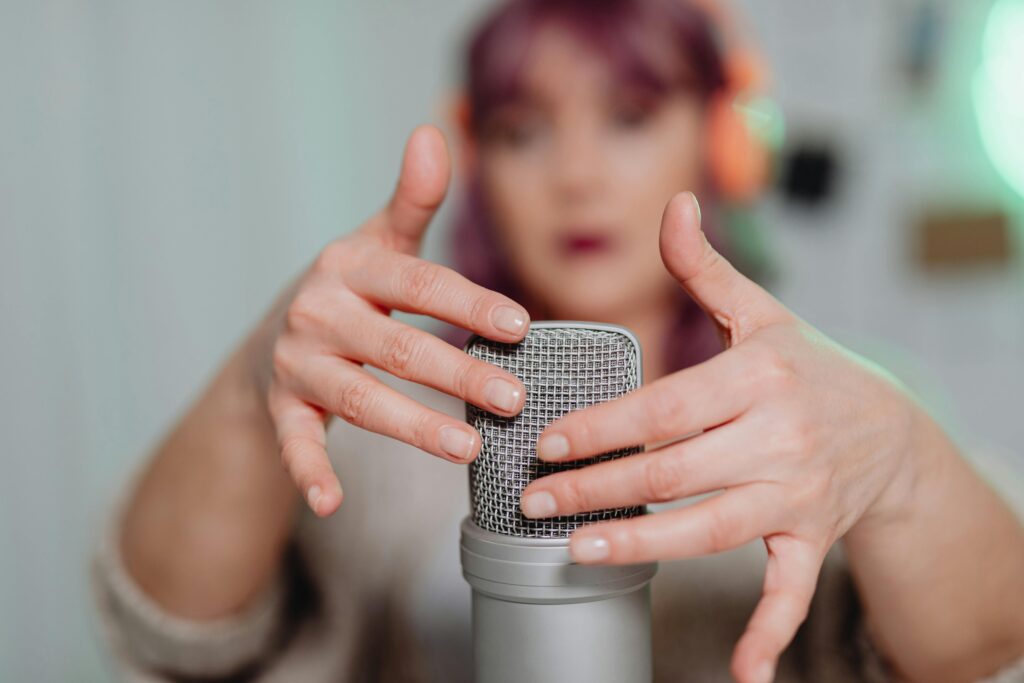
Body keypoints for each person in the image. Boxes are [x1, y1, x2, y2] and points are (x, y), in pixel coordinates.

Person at [92, 1, 1024, 682]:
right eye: (524, 129)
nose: (576, 175)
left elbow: (989, 641)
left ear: (720, 134)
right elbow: (172, 629)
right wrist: (255, 388)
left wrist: (900, 459)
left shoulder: (829, 417)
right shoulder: (387, 423)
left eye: (627, 117)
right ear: (480, 156)